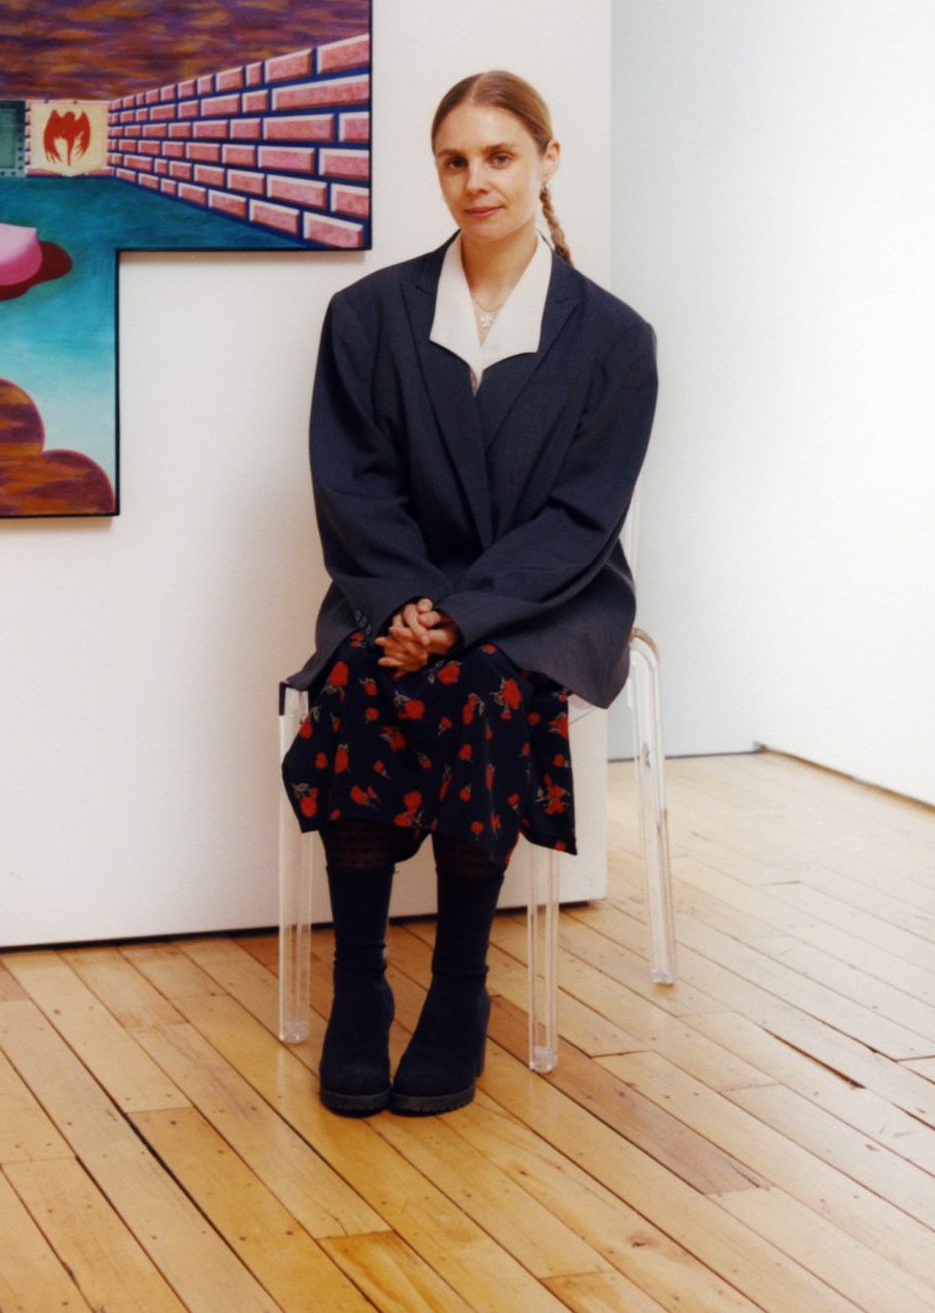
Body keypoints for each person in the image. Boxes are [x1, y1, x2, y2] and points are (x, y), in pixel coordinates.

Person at [280, 70, 659, 1116]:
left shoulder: (616, 340)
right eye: (453, 160)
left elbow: (582, 518)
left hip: (545, 599)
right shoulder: (364, 315)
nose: (474, 180)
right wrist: (405, 604)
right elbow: (350, 482)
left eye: (497, 156)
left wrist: (460, 618)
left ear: (545, 159)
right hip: (388, 592)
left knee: (483, 686)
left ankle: (458, 989)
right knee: (356, 684)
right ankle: (358, 984)